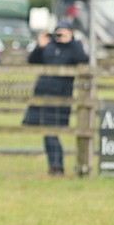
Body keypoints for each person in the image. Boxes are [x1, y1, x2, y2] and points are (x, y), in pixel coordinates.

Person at [22, 19, 89, 176]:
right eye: (58, 31)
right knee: (48, 131)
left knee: (52, 131)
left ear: (71, 32)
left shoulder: (74, 48)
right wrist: (40, 45)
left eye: (64, 31)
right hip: (43, 93)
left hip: (61, 96)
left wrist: (71, 41)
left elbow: (83, 59)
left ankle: (57, 167)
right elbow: (32, 60)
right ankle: (55, 167)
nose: (60, 34)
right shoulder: (49, 47)